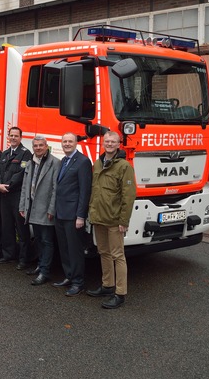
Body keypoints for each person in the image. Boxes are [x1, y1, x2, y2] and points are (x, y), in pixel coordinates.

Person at [86, 131, 136, 309]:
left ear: (118, 144)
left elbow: (128, 196)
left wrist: (124, 220)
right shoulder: (98, 163)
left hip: (115, 220)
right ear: (103, 143)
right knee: (103, 252)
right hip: (99, 217)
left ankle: (120, 293)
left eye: (113, 142)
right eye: (107, 141)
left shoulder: (124, 166)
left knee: (118, 256)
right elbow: (95, 190)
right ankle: (107, 285)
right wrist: (91, 214)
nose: (109, 144)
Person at [53, 132, 92, 296]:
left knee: (75, 249)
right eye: (64, 141)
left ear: (76, 143)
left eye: (70, 141)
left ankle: (78, 282)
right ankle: (68, 276)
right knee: (64, 248)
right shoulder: (64, 160)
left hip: (73, 215)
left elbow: (85, 191)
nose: (67, 144)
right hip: (60, 212)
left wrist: (81, 216)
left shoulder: (83, 162)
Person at [19, 135, 58, 286]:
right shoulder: (31, 162)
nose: (38, 148)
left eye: (41, 145)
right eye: (36, 146)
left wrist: (52, 209)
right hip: (32, 209)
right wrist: (22, 206)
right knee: (39, 240)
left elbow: (55, 189)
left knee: (47, 241)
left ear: (46, 146)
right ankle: (40, 266)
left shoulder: (55, 163)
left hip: (45, 210)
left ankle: (45, 272)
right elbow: (25, 186)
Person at [0, 127, 32, 267]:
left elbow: (21, 174)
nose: (13, 138)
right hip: (4, 196)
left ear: (21, 138)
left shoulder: (25, 154)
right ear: (8, 137)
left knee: (21, 229)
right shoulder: (4, 154)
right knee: (7, 226)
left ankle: (23, 259)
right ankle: (8, 254)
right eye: (11, 135)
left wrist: (7, 186)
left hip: (16, 195)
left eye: (16, 136)